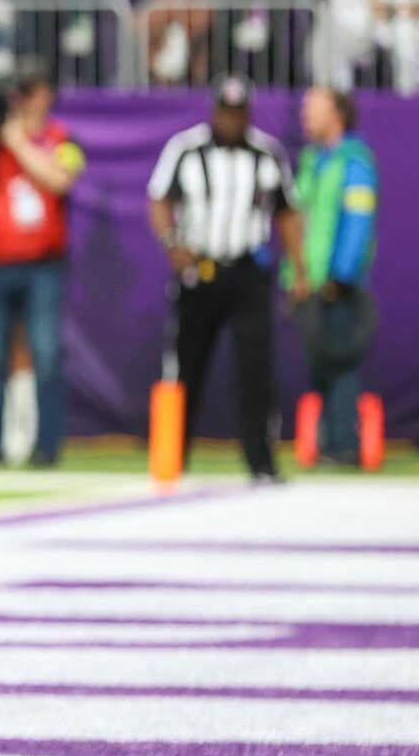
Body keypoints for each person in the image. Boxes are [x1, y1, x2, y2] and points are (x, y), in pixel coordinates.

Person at [147, 79, 305, 480]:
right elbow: (158, 198)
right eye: (225, 113)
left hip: (248, 269)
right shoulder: (185, 149)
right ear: (212, 111)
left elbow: (287, 212)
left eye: (238, 114)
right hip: (199, 268)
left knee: (256, 368)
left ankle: (261, 462)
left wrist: (299, 269)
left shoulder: (267, 153)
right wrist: (171, 243)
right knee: (186, 365)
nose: (231, 122)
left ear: (247, 115)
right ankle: (172, 456)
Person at [0, 73, 84, 466]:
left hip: (43, 265)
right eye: (21, 92)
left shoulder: (61, 137)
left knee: (46, 356)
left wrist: (18, 140)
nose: (27, 100)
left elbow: (60, 180)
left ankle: (47, 447)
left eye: (33, 91)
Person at [284, 87, 379, 467]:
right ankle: (326, 442)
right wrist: (298, 275)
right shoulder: (312, 160)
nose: (305, 116)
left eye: (314, 109)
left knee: (340, 364)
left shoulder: (355, 163)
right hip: (310, 282)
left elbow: (358, 220)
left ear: (337, 114)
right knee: (319, 365)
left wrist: (341, 274)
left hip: (338, 285)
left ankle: (344, 446)